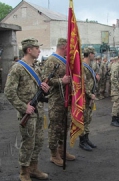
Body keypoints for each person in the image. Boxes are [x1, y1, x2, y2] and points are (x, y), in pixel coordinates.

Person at [4, 38, 50, 181]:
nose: (39, 51)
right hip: (27, 113)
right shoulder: (17, 68)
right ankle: (24, 172)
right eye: (37, 48)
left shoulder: (36, 67)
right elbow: (9, 92)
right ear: (29, 50)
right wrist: (24, 107)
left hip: (39, 110)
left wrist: (45, 89)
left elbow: (42, 88)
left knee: (39, 141)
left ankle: (34, 168)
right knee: (28, 142)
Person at [44, 38, 75, 167]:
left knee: (64, 126)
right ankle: (53, 154)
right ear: (64, 46)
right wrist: (61, 81)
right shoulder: (51, 60)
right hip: (56, 100)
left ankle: (62, 150)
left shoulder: (66, 61)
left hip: (65, 99)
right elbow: (45, 80)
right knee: (55, 128)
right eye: (69, 46)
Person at [79, 47, 100, 151]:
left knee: (88, 118)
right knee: (83, 119)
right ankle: (82, 141)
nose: (94, 55)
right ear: (89, 54)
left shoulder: (89, 66)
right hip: (84, 97)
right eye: (93, 53)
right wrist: (89, 94)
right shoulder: (83, 66)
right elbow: (82, 83)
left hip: (90, 97)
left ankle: (86, 138)